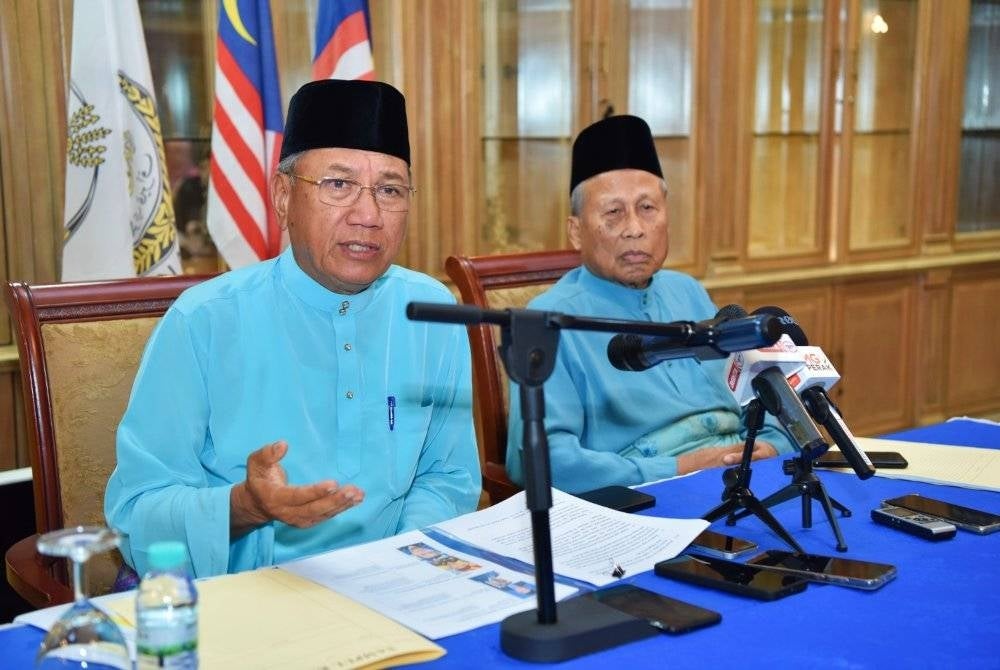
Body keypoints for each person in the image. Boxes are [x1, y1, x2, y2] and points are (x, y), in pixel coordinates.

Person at [106, 80, 481, 578]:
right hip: (251, 600)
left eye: (390, 190)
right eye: (338, 185)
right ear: (283, 197)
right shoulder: (204, 321)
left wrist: (401, 562)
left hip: (401, 585)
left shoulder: (432, 311)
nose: (368, 215)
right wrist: (246, 506)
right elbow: (137, 516)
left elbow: (449, 477)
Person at [505, 115, 795, 493]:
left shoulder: (687, 291)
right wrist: (678, 468)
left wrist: (769, 446)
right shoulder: (546, 321)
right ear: (575, 231)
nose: (635, 228)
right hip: (650, 495)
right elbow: (538, 461)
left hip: (746, 476)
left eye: (647, 208)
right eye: (613, 212)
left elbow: (764, 397)